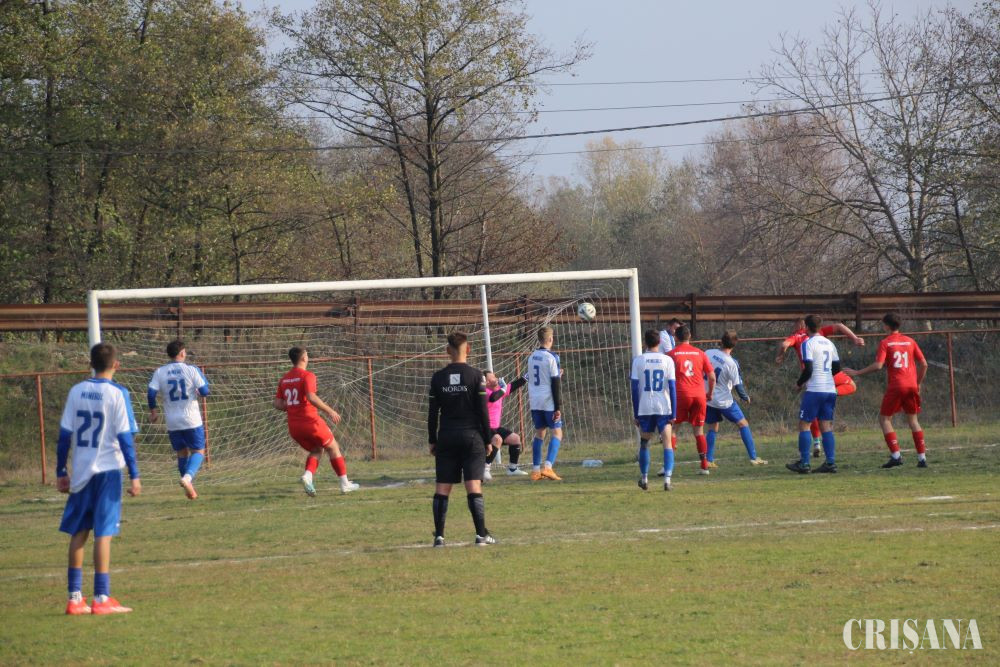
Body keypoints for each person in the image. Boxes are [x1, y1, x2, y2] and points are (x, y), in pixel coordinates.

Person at [57, 343, 141, 615]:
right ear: (116, 365)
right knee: (103, 533)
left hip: (81, 472)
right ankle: (101, 598)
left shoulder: (76, 391)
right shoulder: (117, 393)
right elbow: (125, 438)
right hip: (107, 471)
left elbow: (64, 436)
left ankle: (74, 598)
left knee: (79, 532)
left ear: (90, 364)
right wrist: (135, 474)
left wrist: (61, 471)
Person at [427, 332, 496, 546]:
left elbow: (432, 413)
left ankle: (439, 537)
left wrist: (432, 439)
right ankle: (480, 535)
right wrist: (488, 439)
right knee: (473, 484)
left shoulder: (438, 377)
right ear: (469, 349)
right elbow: (483, 411)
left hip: (447, 436)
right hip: (472, 437)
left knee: (442, 487)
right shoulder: (476, 376)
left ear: (448, 351)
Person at [845, 313, 930, 468]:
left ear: (886, 326)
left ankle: (896, 456)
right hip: (911, 386)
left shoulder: (886, 342)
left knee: (884, 419)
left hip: (896, 386)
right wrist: (918, 383)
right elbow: (924, 364)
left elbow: (878, 365)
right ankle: (922, 458)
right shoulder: (910, 341)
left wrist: (857, 372)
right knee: (913, 420)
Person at [273, 347, 359, 496]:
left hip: (294, 427)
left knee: (317, 449)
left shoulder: (284, 379)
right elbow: (311, 397)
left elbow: (277, 403)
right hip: (311, 423)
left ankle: (308, 476)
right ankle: (345, 484)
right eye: (307, 354)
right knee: (333, 447)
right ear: (303, 358)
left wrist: (292, 406)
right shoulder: (308, 375)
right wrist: (330, 411)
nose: (308, 356)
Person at [776, 317, 864, 456]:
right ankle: (830, 460)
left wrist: (780, 356)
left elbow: (784, 344)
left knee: (806, 421)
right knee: (827, 421)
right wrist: (855, 338)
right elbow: (839, 325)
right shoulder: (824, 337)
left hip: (812, 379)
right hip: (827, 377)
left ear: (803, 325)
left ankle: (812, 450)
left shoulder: (798, 337)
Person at [148, 339, 210, 500]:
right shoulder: (191, 369)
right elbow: (205, 391)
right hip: (191, 419)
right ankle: (187, 479)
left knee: (182, 453)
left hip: (172, 421)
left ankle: (189, 487)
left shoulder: (160, 372)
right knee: (198, 451)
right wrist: (197, 391)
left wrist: (153, 411)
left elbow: (151, 393)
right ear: (182, 353)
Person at [786, 315, 841, 474]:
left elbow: (808, 369)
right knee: (826, 426)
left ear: (807, 328)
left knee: (804, 424)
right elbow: (837, 368)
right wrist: (826, 376)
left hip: (815, 390)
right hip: (829, 390)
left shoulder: (807, 343)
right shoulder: (829, 343)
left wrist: (799, 383)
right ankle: (830, 463)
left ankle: (804, 463)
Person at [705, 331, 767, 467]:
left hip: (708, 398)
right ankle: (753, 457)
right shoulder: (731, 363)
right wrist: (745, 397)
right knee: (743, 424)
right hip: (724, 401)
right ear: (734, 345)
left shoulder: (708, 353)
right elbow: (738, 385)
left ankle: (708, 460)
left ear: (721, 341)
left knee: (712, 428)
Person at [631, 330, 677, 490]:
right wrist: (674, 413)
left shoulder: (638, 360)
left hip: (645, 406)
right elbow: (672, 387)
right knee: (667, 443)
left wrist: (636, 413)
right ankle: (667, 481)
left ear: (645, 342)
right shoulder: (668, 360)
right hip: (663, 406)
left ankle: (644, 479)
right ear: (659, 342)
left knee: (644, 443)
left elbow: (634, 388)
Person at [667, 325, 716, 475]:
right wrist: (709, 393)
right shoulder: (700, 353)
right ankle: (704, 466)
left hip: (681, 395)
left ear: (675, 337)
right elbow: (712, 377)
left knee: (673, 429)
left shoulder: (671, 354)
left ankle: (669, 467)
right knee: (699, 431)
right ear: (689, 337)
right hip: (699, 396)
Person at [527, 326, 564, 481]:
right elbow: (555, 383)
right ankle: (548, 467)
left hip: (534, 400)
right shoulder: (552, 357)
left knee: (540, 433)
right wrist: (558, 407)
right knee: (557, 433)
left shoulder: (531, 357)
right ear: (550, 339)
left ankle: (536, 471)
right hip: (548, 400)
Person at [483, 371, 528, 478]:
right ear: (486, 382)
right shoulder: (484, 392)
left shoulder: (500, 390)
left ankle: (512, 469)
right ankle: (484, 469)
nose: (496, 379)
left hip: (496, 428)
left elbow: (514, 385)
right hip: (483, 428)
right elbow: (493, 397)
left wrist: (527, 376)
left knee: (515, 438)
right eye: (492, 378)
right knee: (497, 439)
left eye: (495, 376)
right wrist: (503, 389)